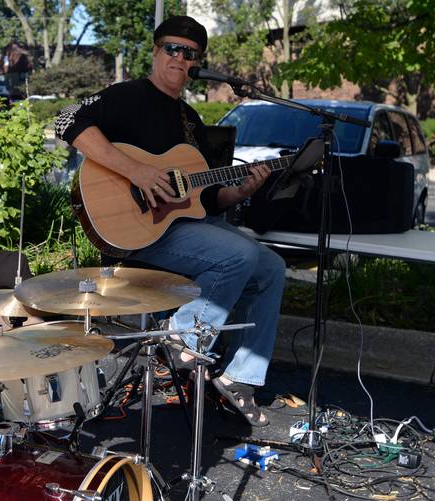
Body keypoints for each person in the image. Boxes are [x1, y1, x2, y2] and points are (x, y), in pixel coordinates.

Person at [55, 15, 285, 426]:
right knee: (236, 255)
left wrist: (245, 189)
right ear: (156, 52)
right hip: (135, 228)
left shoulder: (190, 120)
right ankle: (181, 338)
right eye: (172, 49)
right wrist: (136, 171)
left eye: (190, 53)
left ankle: (240, 378)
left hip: (183, 226)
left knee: (271, 266)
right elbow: (66, 121)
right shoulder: (127, 96)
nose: (180, 58)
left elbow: (208, 199)